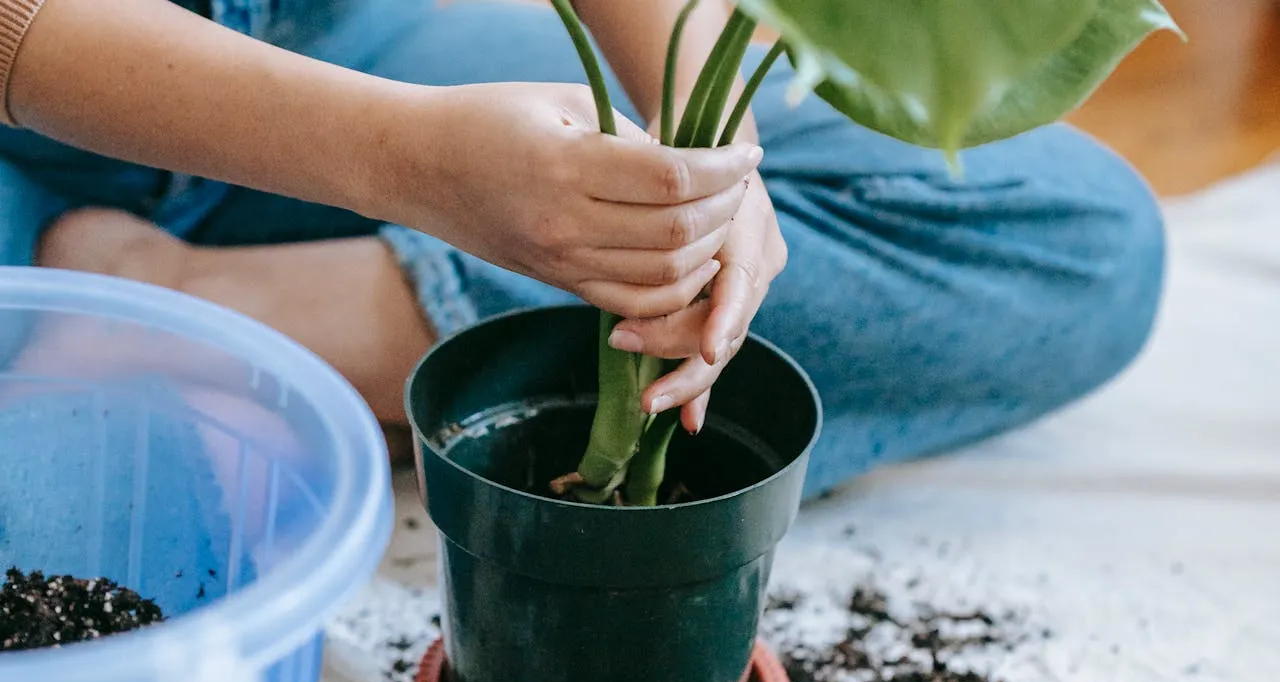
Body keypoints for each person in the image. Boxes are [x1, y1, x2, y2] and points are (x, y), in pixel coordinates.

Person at [0, 0, 1165, 500]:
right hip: (35, 109)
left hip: (298, 31)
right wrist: (409, 162)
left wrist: (713, 148)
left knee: (1074, 239)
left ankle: (173, 309)